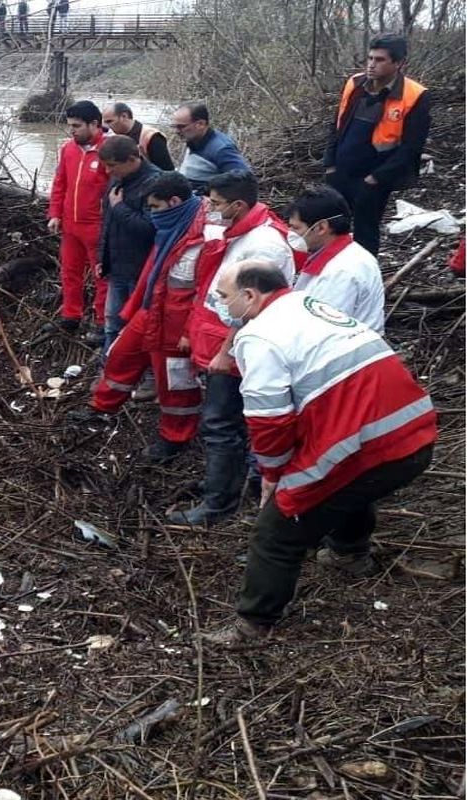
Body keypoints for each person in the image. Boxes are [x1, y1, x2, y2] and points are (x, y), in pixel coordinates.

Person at [200, 262, 436, 645]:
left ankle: (253, 624)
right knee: (349, 483)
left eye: (224, 297)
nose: (220, 304)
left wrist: (273, 476)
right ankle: (349, 553)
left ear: (250, 296)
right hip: (411, 430)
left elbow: (270, 419)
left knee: (278, 527)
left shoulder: (259, 336)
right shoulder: (306, 305)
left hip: (368, 436)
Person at [168, 170, 299, 525]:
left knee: (221, 423)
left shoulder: (263, 245)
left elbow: (252, 308)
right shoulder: (238, 233)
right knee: (229, 423)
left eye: (215, 203)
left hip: (237, 351)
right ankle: (229, 481)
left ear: (238, 205)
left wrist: (226, 351)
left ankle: (219, 503)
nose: (209, 209)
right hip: (221, 342)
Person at [86, 171, 207, 461]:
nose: (152, 215)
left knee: (176, 384)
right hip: (154, 310)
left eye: (155, 207)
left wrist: (191, 333)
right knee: (122, 356)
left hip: (178, 325)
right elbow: (154, 272)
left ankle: (175, 438)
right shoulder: (174, 226)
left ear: (174, 201)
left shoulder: (202, 236)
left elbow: (207, 292)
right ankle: (103, 406)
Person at [323, 34, 430, 256]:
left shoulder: (414, 95)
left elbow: (411, 148)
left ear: (399, 63)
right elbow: (337, 124)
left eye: (380, 60)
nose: (371, 64)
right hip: (341, 172)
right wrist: (330, 164)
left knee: (366, 233)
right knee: (330, 228)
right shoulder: (355, 83)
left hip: (373, 179)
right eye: (370, 58)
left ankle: (366, 281)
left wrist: (376, 179)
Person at [46, 100, 109, 344]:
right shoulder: (68, 149)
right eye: (70, 126)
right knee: (69, 271)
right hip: (70, 225)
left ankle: (103, 321)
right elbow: (60, 183)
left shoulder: (109, 150)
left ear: (95, 124)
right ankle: (71, 315)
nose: (72, 131)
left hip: (97, 226)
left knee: (101, 275)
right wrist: (55, 214)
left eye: (77, 126)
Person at [284, 186, 385, 331]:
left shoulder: (343, 271)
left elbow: (321, 328)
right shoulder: (333, 256)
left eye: (296, 228)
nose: (290, 233)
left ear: (321, 228)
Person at [97, 135, 161, 353]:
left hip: (140, 271)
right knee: (112, 324)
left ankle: (137, 376)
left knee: (137, 325)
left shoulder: (155, 183)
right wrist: (102, 258)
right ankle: (109, 369)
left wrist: (120, 208)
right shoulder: (117, 179)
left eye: (112, 165)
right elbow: (107, 222)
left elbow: (150, 229)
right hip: (116, 267)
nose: (108, 171)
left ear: (133, 159)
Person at [171, 102, 252, 193]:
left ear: (201, 124)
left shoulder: (221, 148)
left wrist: (208, 194)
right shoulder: (193, 140)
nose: (176, 131)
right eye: (174, 126)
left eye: (181, 127)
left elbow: (245, 182)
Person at [102, 102, 173, 171]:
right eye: (105, 122)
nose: (107, 126)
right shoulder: (113, 137)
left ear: (124, 116)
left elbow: (167, 170)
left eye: (110, 121)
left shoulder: (151, 136)